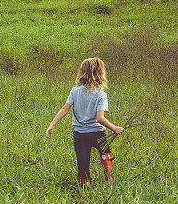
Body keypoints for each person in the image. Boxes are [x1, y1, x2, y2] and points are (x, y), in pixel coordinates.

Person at [46, 58, 124, 186]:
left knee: (82, 162)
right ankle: (110, 182)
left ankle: (84, 187)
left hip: (80, 134)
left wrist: (52, 124)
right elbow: (99, 118)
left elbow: (65, 109)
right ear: (100, 73)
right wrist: (114, 128)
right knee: (106, 156)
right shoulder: (100, 94)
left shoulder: (75, 91)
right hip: (98, 134)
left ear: (82, 72)